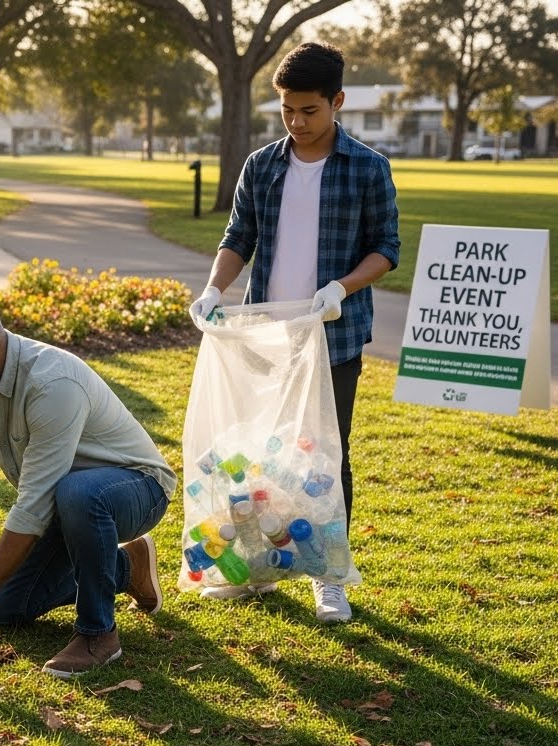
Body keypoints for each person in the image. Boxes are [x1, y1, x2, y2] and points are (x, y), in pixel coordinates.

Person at [187, 41, 400, 623]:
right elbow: (239, 236)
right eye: (287, 110)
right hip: (267, 336)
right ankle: (249, 565)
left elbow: (387, 248)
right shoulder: (263, 165)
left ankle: (329, 575)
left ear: (337, 102)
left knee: (325, 455)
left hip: (333, 334)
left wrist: (340, 288)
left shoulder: (367, 167)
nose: (297, 122)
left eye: (309, 111)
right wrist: (214, 289)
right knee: (254, 453)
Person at [0, 296, 176, 678]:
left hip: (138, 489)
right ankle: (127, 567)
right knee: (2, 609)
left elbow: (34, 502)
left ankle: (98, 634)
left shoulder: (52, 382)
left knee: (78, 493)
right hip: (66, 505)